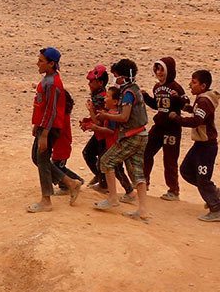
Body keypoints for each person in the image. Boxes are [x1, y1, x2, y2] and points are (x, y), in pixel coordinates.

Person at [92, 59, 151, 220]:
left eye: (116, 76)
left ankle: (112, 198)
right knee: (137, 173)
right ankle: (143, 210)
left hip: (131, 136)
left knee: (106, 161)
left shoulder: (128, 93)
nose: (115, 80)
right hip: (142, 134)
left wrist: (106, 115)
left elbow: (124, 117)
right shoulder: (135, 89)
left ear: (123, 77)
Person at [28, 47, 81, 212]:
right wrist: (36, 124)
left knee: (42, 161)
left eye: (41, 61)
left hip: (49, 128)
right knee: (37, 158)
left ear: (51, 64)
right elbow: (42, 107)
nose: (38, 63)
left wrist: (44, 134)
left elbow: (51, 110)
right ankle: (70, 182)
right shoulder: (48, 80)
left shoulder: (52, 83)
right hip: (44, 126)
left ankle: (46, 200)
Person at [175, 69, 220, 221]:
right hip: (200, 145)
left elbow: (196, 121)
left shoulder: (204, 101)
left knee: (202, 178)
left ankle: (216, 208)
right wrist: (184, 105)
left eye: (194, 82)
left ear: (203, 85)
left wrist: (177, 119)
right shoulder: (202, 99)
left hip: (207, 147)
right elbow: (197, 113)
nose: (190, 85)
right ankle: (214, 194)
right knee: (186, 170)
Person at [79, 65, 131, 194]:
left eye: (92, 81)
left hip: (104, 135)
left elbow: (100, 120)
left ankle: (120, 188)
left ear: (100, 82)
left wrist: (91, 117)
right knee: (93, 156)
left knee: (108, 163)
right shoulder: (100, 96)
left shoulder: (101, 98)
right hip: (100, 134)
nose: (89, 84)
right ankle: (103, 180)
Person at [144, 57, 186, 201]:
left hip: (172, 128)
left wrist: (177, 99)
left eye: (162, 69)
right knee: (146, 151)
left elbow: (185, 103)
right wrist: (146, 97)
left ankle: (173, 190)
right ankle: (144, 182)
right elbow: (157, 105)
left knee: (169, 159)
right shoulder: (156, 87)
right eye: (157, 69)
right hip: (159, 126)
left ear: (169, 70)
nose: (159, 72)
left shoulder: (176, 86)